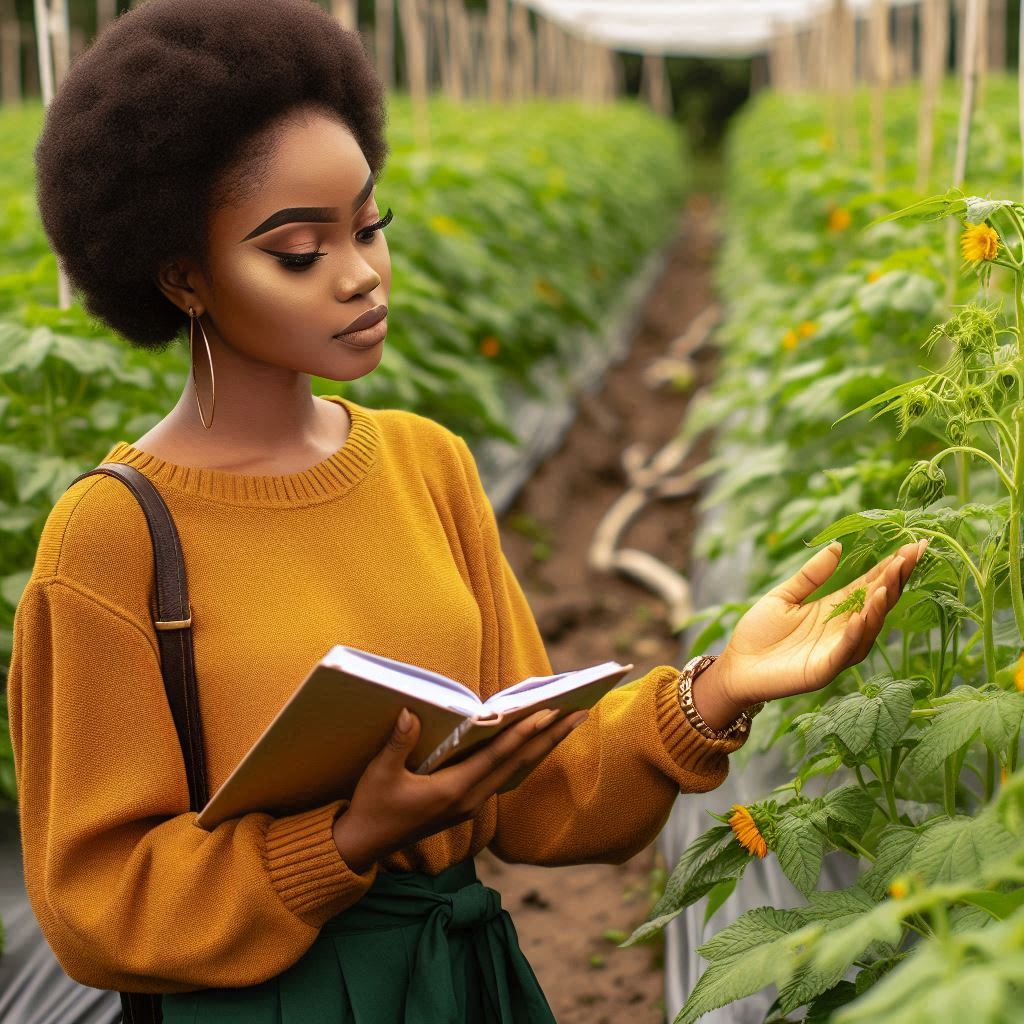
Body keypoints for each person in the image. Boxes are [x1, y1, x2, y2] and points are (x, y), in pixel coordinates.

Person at [8, 0, 926, 1020]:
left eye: (368, 226)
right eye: (300, 252)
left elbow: (534, 791)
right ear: (184, 276)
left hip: (458, 983)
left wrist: (712, 694)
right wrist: (345, 839)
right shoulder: (112, 535)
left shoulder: (423, 464)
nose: (361, 275)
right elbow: (93, 903)